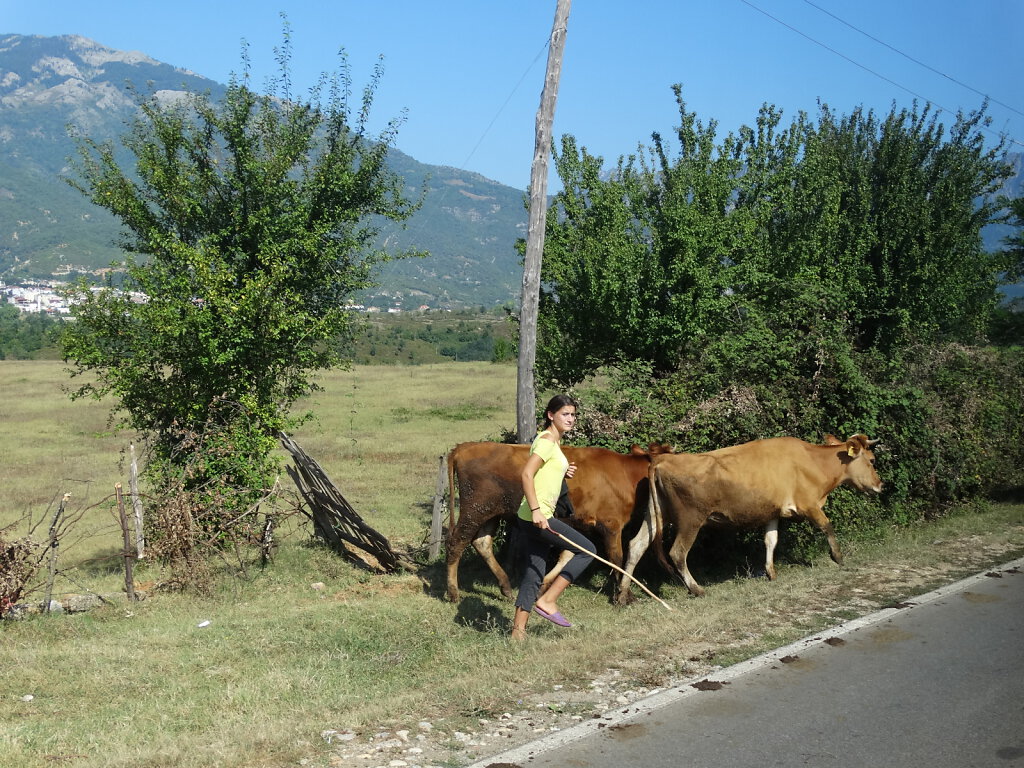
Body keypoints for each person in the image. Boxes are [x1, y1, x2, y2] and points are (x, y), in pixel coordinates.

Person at [511, 394, 596, 642]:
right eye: (565, 414)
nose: (571, 419)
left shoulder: (551, 441)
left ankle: (518, 633)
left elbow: (544, 473)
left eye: (573, 414)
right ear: (551, 415)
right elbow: (527, 475)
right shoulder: (548, 441)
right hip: (538, 517)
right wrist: (537, 511)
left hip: (530, 516)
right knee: (587, 550)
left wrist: (562, 470)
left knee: (534, 571)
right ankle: (548, 600)